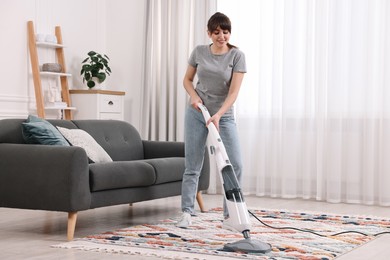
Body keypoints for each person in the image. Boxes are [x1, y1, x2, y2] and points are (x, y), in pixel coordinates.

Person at [177, 12, 246, 229]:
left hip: (223, 116)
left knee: (235, 164)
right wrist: (194, 97)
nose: (221, 36)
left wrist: (218, 114)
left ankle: (230, 216)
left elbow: (233, 93)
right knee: (193, 165)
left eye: (225, 32)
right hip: (198, 113)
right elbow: (187, 80)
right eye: (216, 32)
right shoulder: (199, 52)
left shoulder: (237, 56)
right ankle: (187, 212)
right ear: (209, 33)